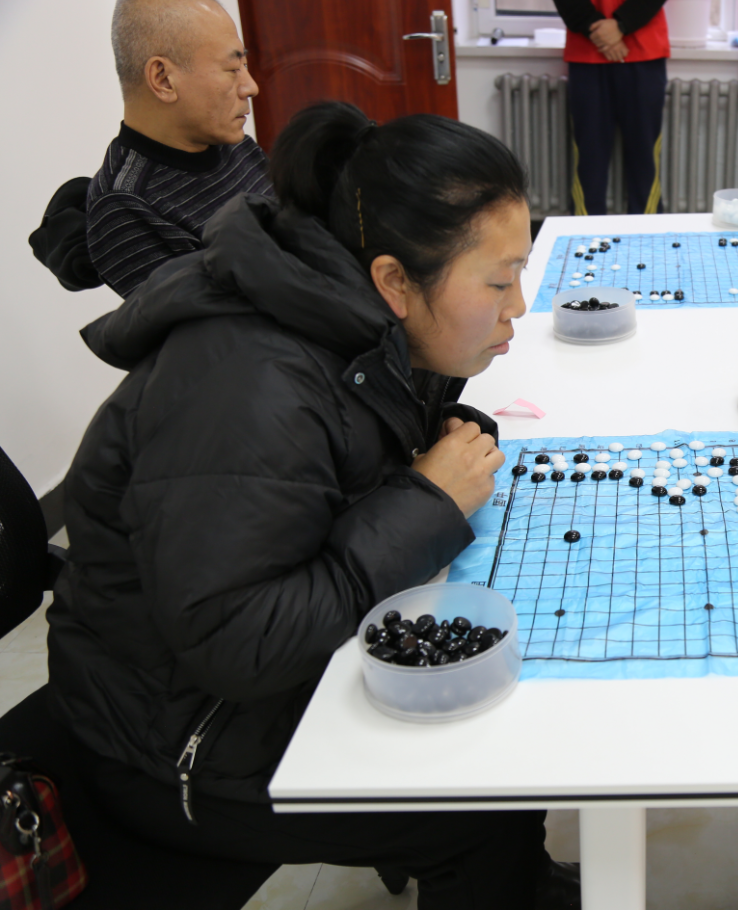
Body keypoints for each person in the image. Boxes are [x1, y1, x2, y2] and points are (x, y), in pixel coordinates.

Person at [47, 101, 578, 908]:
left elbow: (341, 453)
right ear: (394, 281)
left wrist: (440, 443)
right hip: (175, 740)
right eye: (500, 281)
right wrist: (426, 499)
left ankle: (512, 880)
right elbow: (237, 642)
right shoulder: (248, 383)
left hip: (234, 681)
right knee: (482, 794)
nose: (520, 307)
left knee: (510, 702)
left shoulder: (352, 315)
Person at [86, 0, 272, 298]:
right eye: (232, 68)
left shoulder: (227, 142)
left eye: (245, 65)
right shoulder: (127, 207)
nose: (250, 87)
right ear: (163, 79)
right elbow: (224, 323)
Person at [554, 0, 669, 215]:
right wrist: (599, 29)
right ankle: (585, 233)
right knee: (589, 160)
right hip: (586, 54)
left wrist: (621, 24)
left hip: (644, 52)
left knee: (644, 159)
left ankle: (647, 233)